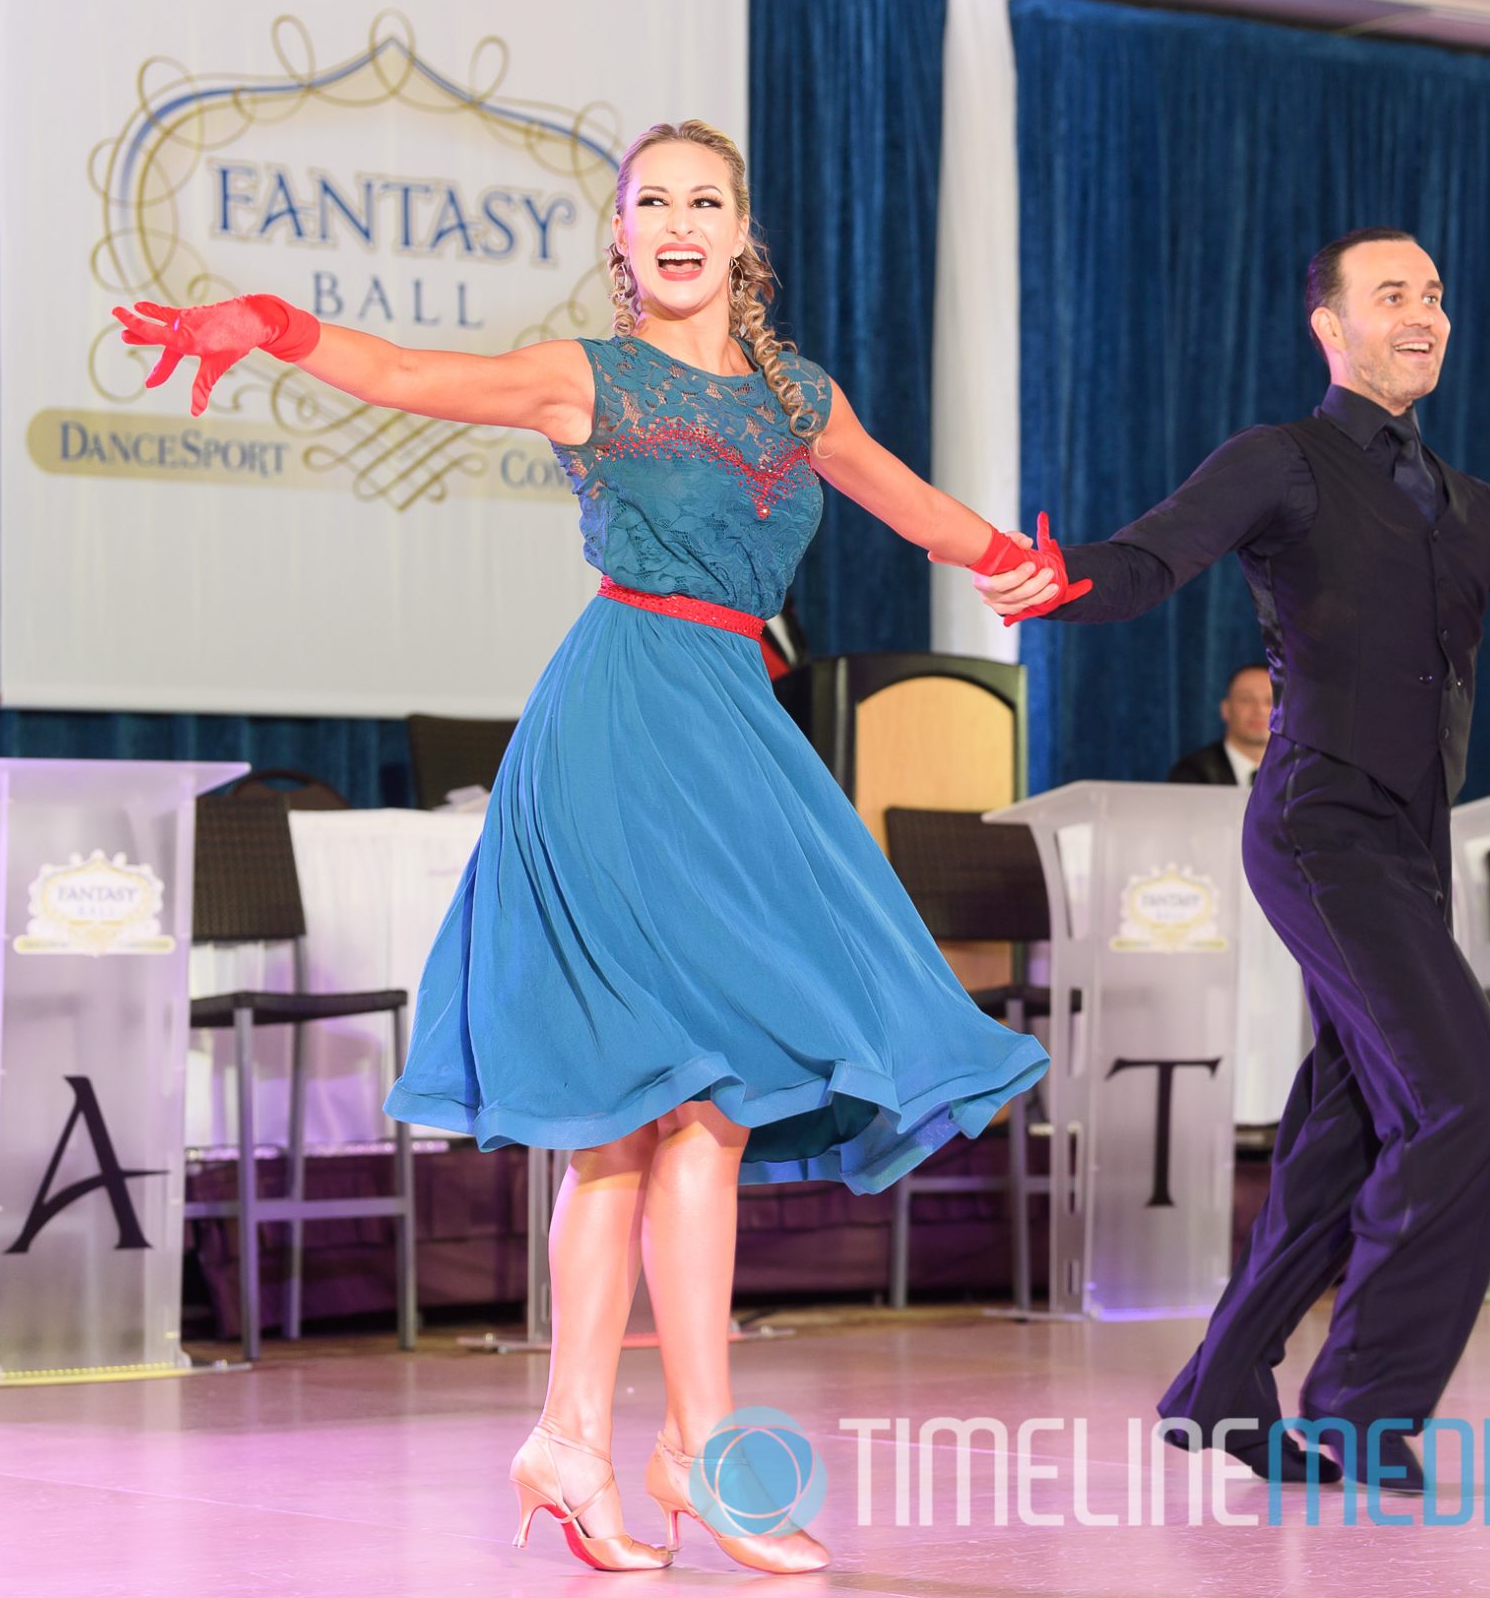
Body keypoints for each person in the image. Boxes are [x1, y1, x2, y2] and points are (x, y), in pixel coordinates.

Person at [119, 118, 1082, 1573]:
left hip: (735, 735)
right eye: (654, 204)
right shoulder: (589, 377)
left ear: (743, 236)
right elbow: (402, 375)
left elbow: (904, 497)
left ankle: (654, 1447)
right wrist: (266, 321)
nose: (681, 222)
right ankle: (603, 1440)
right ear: (622, 238)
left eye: (708, 201)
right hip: (620, 726)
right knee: (633, 1103)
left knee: (712, 1104)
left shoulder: (792, 394)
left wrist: (1013, 561)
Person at [975, 227, 1490, 1490]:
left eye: (1434, 294)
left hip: (1408, 847)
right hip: (1318, 826)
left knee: (1348, 1122)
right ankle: (1358, 1406)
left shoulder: (1476, 508)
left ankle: (1219, 1385)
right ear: (1330, 325)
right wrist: (1062, 581)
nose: (1423, 314)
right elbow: (1156, 553)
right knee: (1469, 1098)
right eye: (1392, 295)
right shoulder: (1283, 460)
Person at [1167, 663, 1274, 788]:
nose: (1259, 710)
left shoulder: (1298, 774)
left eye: (1270, 701)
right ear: (1225, 709)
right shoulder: (1191, 775)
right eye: (1246, 699)